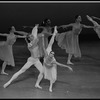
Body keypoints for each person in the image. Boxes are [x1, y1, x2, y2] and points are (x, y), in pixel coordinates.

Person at [3, 24, 44, 88]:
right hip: (31, 60)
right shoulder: (30, 44)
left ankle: (37, 84)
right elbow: (35, 36)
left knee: (42, 72)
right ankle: (8, 82)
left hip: (37, 60)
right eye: (31, 36)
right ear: (29, 38)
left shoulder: (33, 40)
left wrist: (36, 27)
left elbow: (34, 34)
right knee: (21, 71)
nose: (32, 36)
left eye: (32, 36)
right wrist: (36, 29)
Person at [35, 26, 73, 92]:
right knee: (41, 73)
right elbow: (43, 46)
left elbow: (60, 64)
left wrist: (67, 67)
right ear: (49, 54)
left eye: (53, 54)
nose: (52, 55)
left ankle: (50, 87)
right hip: (45, 65)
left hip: (51, 66)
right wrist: (43, 38)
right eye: (51, 54)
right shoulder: (46, 53)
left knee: (52, 77)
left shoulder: (53, 60)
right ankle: (37, 84)